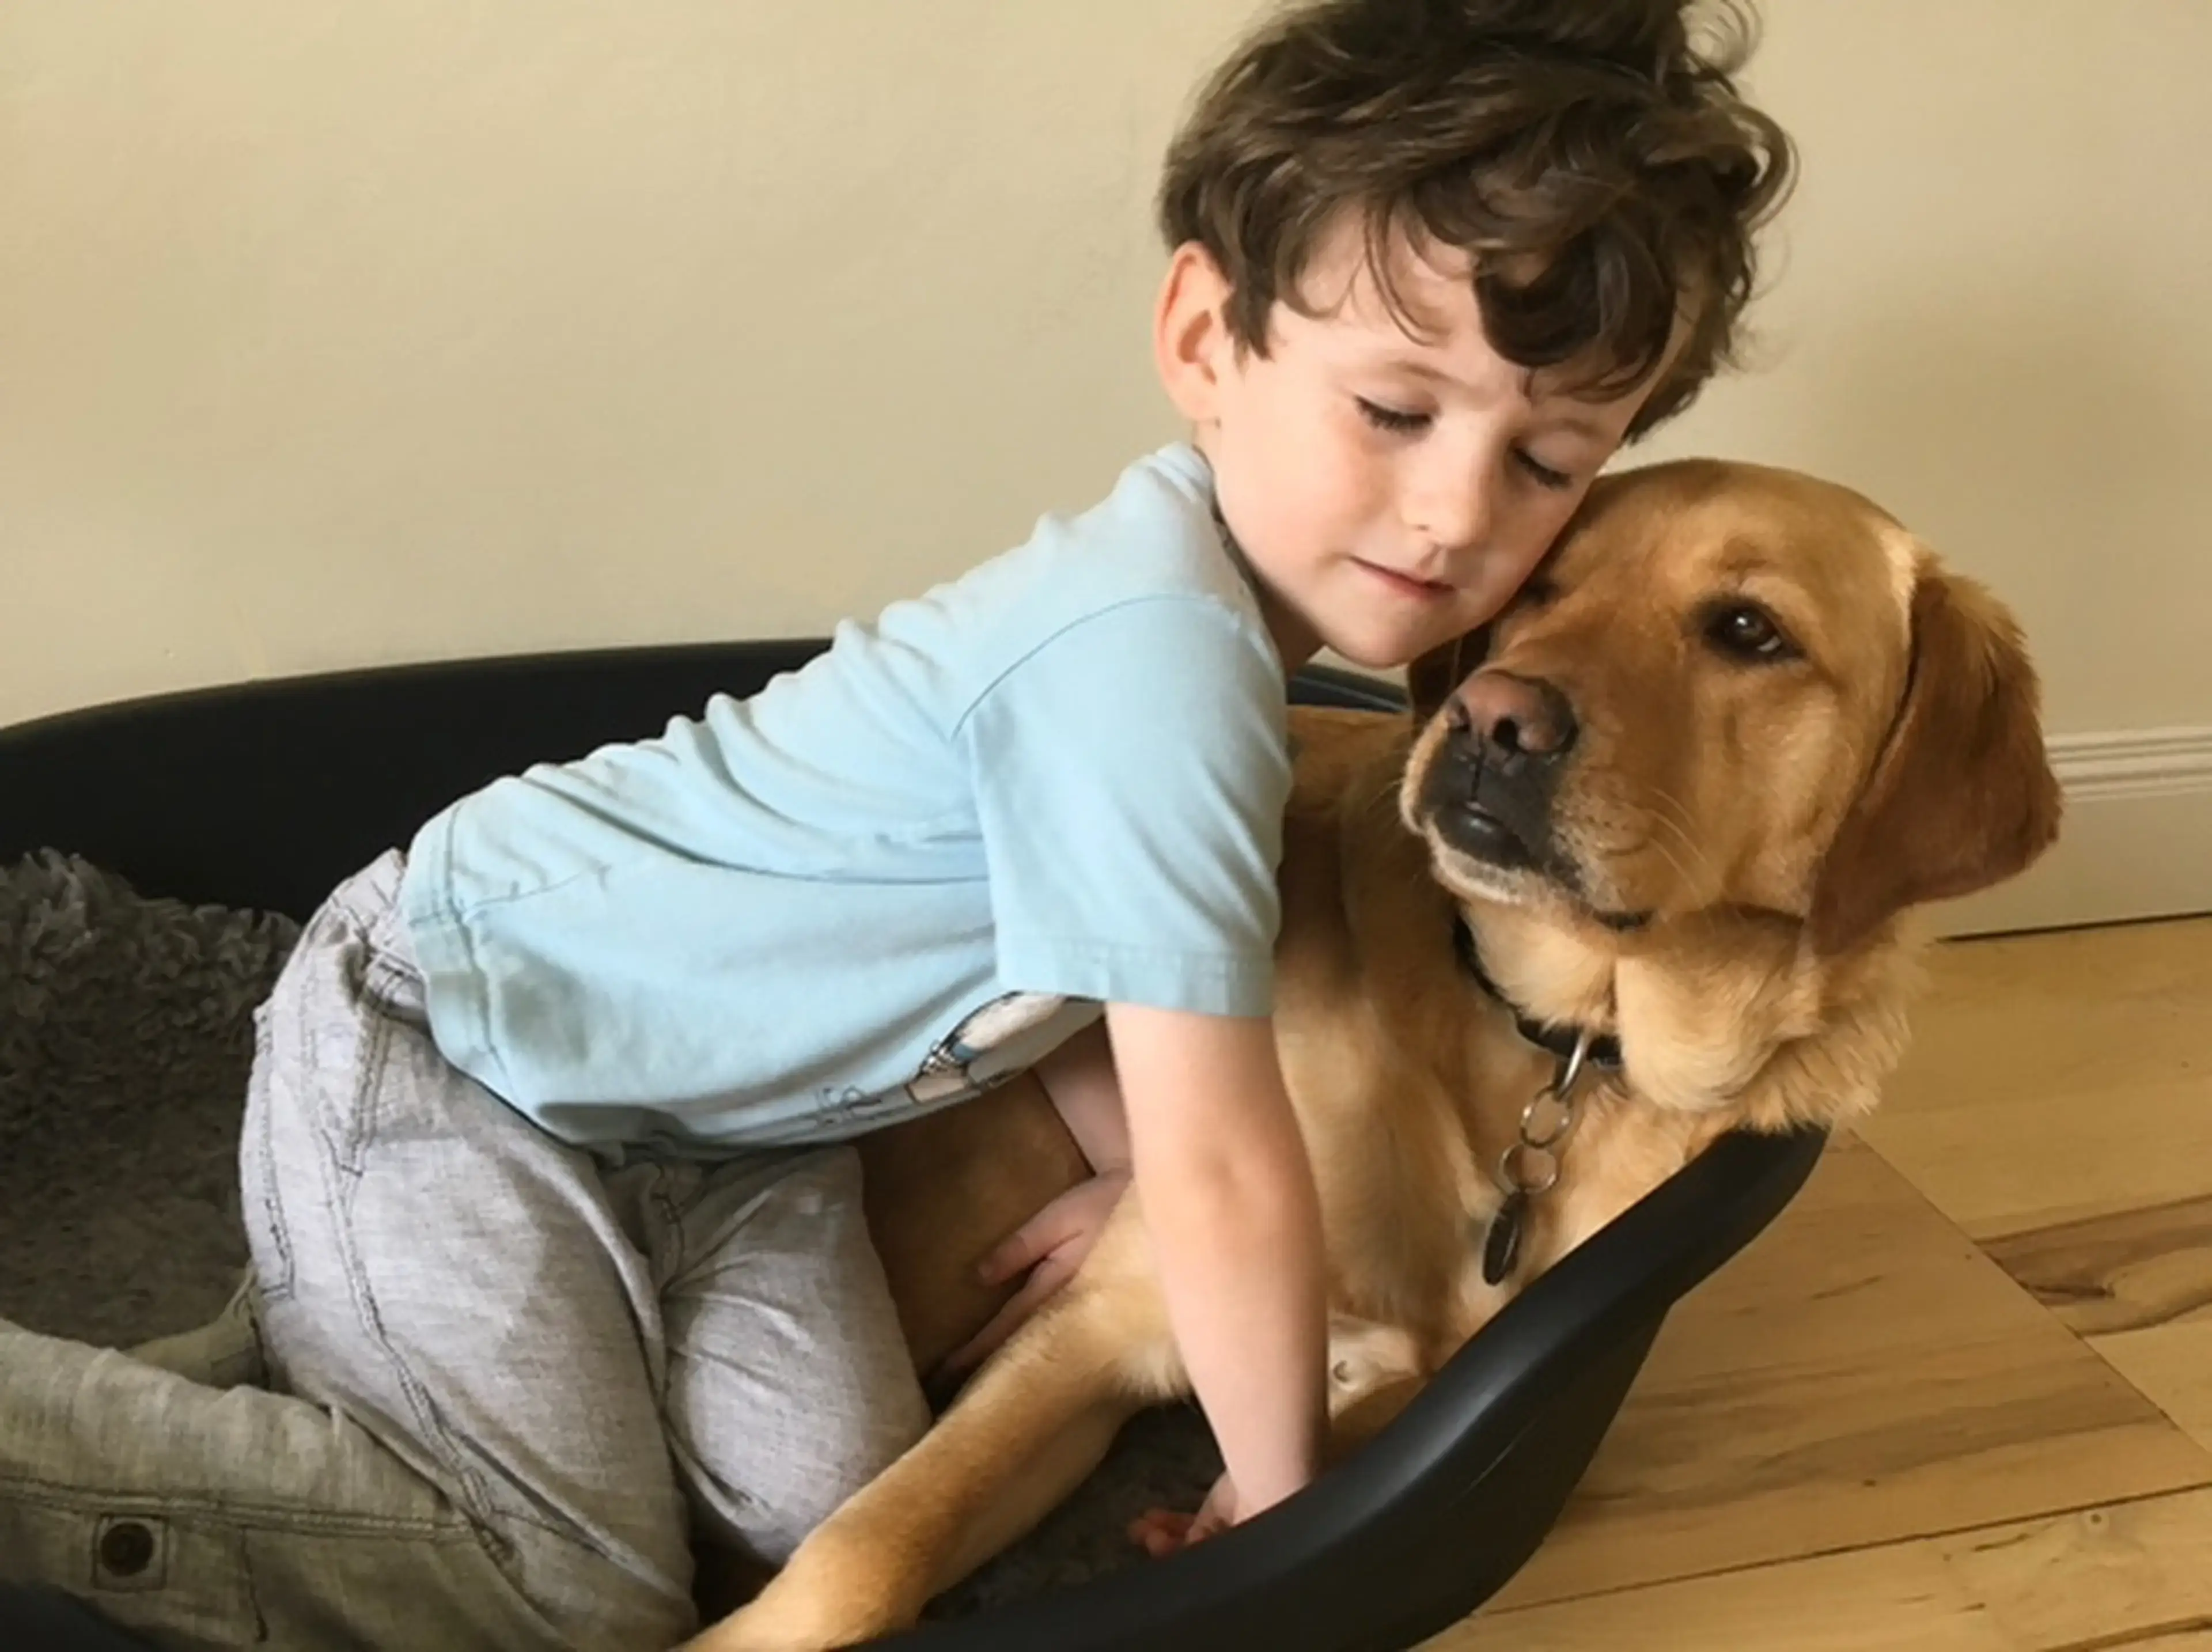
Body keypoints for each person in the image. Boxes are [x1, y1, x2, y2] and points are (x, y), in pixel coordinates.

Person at [0, 3, 1791, 1648]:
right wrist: (1284, 1505)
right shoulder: (1152, 659)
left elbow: (1100, 965)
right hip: (458, 1033)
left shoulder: (1247, 671)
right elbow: (1232, 1155)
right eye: (1397, 410)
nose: (1456, 510)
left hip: (720, 1140)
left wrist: (1113, 1162)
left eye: (1548, 459)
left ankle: (337, 1344)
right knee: (581, 1584)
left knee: (810, 1494)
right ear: (1203, 339)